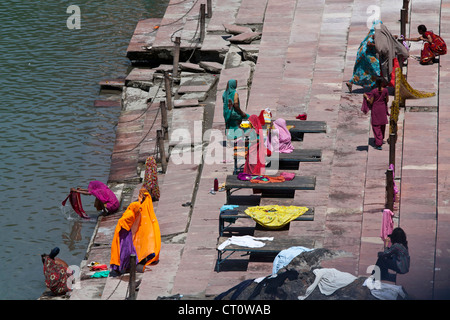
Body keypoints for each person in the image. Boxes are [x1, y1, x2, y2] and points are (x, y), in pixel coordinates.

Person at [109, 188, 161, 276]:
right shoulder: (130, 215)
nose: (139, 211)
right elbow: (127, 223)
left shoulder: (130, 211)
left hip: (125, 234)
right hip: (124, 236)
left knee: (126, 251)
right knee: (126, 251)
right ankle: (124, 267)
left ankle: (125, 267)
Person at [346, 20, 381, 92]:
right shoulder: (374, 33)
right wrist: (377, 45)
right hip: (367, 54)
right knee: (377, 69)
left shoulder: (372, 32)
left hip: (362, 52)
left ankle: (351, 82)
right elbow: (369, 43)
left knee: (362, 70)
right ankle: (374, 86)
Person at [363, 78, 390, 150]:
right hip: (383, 108)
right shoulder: (385, 90)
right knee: (382, 125)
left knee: (376, 126)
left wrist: (366, 97)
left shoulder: (374, 91)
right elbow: (387, 100)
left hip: (376, 109)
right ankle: (380, 138)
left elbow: (371, 102)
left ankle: (378, 143)